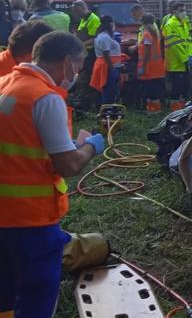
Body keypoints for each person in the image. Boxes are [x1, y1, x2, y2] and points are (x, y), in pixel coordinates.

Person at [0, 31, 105, 318]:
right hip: (30, 219)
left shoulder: (4, 84)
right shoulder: (45, 98)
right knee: (36, 295)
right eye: (78, 68)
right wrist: (90, 146)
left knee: (5, 291)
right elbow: (68, 165)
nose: (77, 76)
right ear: (67, 63)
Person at [163, 1, 192, 111]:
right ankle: (175, 111)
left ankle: (182, 109)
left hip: (184, 62)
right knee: (176, 88)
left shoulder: (184, 23)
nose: (184, 13)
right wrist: (185, 59)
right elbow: (175, 45)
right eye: (181, 11)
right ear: (174, 11)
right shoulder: (170, 25)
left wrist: (190, 55)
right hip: (175, 63)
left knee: (184, 87)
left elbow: (189, 41)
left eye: (184, 10)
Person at [91, 15, 124, 105]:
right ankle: (107, 112)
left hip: (109, 66)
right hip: (108, 67)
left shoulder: (103, 36)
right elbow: (106, 54)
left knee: (110, 90)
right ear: (110, 24)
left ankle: (108, 110)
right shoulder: (104, 37)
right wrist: (112, 69)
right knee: (109, 90)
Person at [138, 14, 165, 113]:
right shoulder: (155, 32)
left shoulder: (146, 34)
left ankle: (153, 109)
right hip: (157, 66)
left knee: (150, 89)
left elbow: (147, 52)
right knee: (155, 88)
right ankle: (154, 108)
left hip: (149, 66)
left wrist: (143, 67)